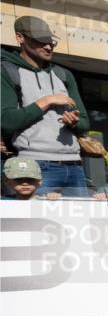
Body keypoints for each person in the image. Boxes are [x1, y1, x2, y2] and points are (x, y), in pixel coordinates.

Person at [1, 16, 90, 196]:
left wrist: (73, 122)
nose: (48, 46)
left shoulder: (64, 75)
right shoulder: (7, 71)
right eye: (40, 41)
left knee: (79, 223)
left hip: (74, 165)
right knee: (36, 223)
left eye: (50, 42)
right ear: (20, 38)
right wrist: (46, 101)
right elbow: (6, 121)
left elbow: (85, 122)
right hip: (34, 167)